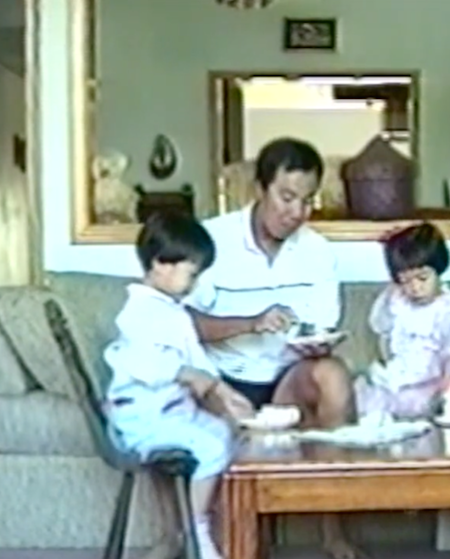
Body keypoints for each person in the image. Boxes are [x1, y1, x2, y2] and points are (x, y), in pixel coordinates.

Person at [182, 137, 359, 559]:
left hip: (285, 380)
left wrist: (317, 345)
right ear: (259, 190)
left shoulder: (317, 251)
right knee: (210, 401)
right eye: (286, 197)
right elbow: (180, 326)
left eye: (307, 200)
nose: (296, 212)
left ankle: (333, 531)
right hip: (224, 381)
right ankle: (238, 540)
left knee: (332, 374)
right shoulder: (212, 239)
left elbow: (322, 326)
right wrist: (249, 323)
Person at [103, 211, 255, 559]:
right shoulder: (137, 313)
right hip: (142, 420)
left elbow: (199, 362)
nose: (195, 284)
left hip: (170, 414)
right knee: (213, 446)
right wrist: (191, 376)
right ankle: (196, 528)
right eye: (192, 274)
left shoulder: (174, 312)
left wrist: (225, 393)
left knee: (226, 433)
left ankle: (196, 525)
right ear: (161, 264)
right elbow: (147, 365)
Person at [355, 222, 450, 553]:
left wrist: (444, 393)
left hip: (442, 379)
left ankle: (446, 513)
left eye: (422, 278)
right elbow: (385, 339)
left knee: (439, 433)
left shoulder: (449, 312)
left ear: (439, 269)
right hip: (405, 377)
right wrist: (393, 373)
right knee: (374, 406)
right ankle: (402, 494)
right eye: (405, 280)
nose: (413, 288)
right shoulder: (395, 301)